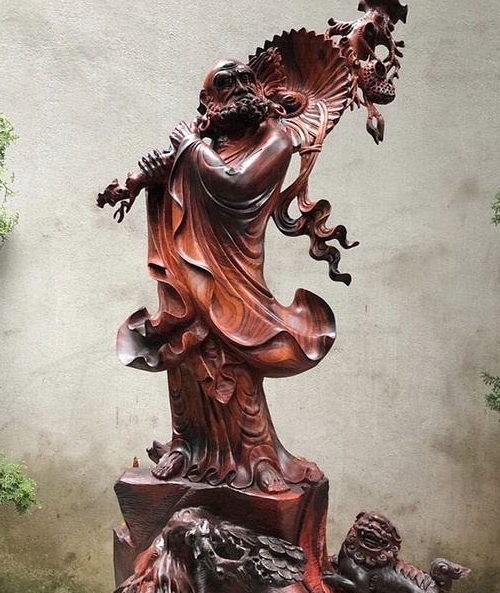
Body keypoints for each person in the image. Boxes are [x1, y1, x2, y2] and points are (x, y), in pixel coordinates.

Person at [113, 58, 334, 493]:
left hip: (235, 273)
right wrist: (149, 180)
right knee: (185, 351)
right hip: (191, 266)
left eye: (247, 78)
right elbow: (183, 183)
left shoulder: (275, 139)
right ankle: (186, 445)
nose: (242, 86)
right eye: (227, 81)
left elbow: (237, 183)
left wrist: (190, 149)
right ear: (208, 100)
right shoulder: (207, 143)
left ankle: (258, 457)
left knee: (234, 357)